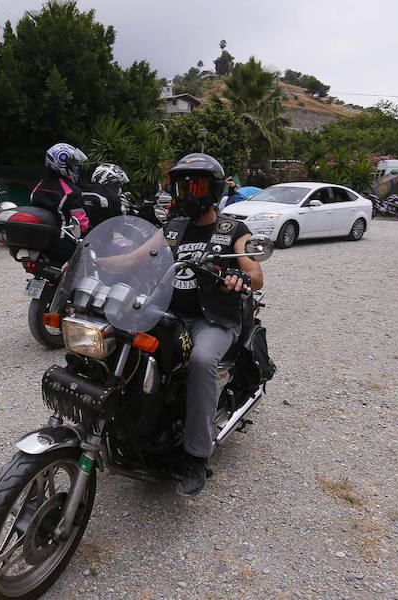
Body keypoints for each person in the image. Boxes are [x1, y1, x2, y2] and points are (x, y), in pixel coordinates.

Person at [162, 153, 264, 497]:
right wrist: (94, 257)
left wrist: (240, 275)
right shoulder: (172, 227)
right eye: (182, 185)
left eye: (196, 185)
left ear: (213, 189)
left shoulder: (233, 228)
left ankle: (196, 455)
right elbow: (135, 257)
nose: (188, 193)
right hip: (168, 316)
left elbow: (255, 272)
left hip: (214, 319)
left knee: (203, 361)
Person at [31, 143, 90, 263]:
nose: (75, 168)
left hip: (39, 243)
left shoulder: (38, 188)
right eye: (72, 165)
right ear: (62, 165)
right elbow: (82, 224)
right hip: (62, 244)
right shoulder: (70, 190)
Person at [81, 163, 127, 229]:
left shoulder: (82, 190)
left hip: (79, 235)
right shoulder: (111, 198)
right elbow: (119, 226)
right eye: (117, 184)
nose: (118, 188)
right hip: (103, 236)